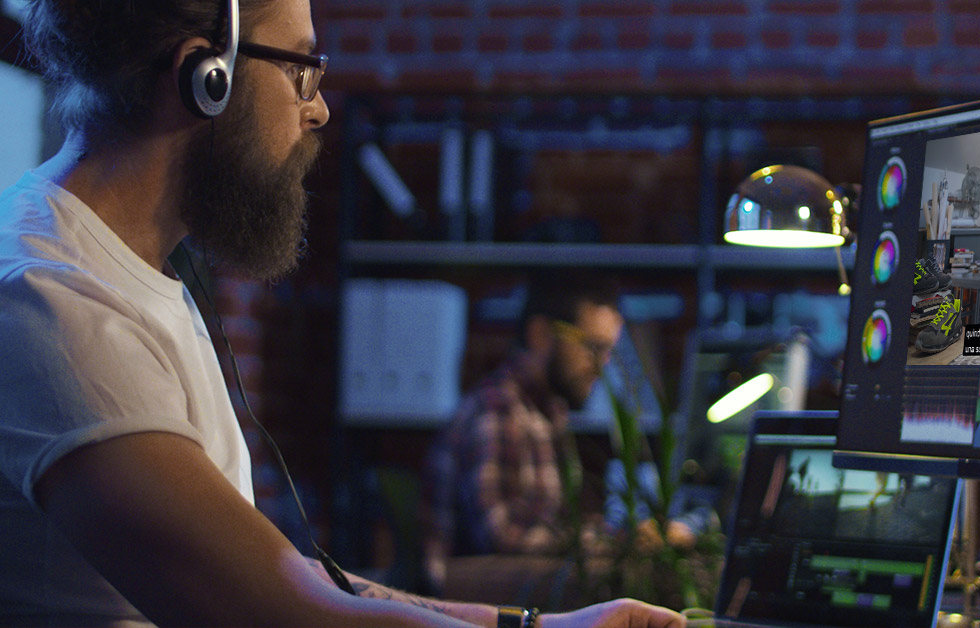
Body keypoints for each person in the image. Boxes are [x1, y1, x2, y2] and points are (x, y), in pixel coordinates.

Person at [0, 1, 685, 627]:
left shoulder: (137, 279)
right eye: (301, 69)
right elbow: (290, 617)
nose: (320, 108)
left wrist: (537, 625)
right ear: (204, 77)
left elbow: (292, 577)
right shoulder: (55, 302)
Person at [422, 270, 625, 591]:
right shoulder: (500, 410)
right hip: (470, 607)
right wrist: (617, 543)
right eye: (593, 347)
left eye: (609, 351)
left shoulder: (546, 413)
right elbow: (503, 535)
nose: (602, 366)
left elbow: (548, 526)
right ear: (541, 334)